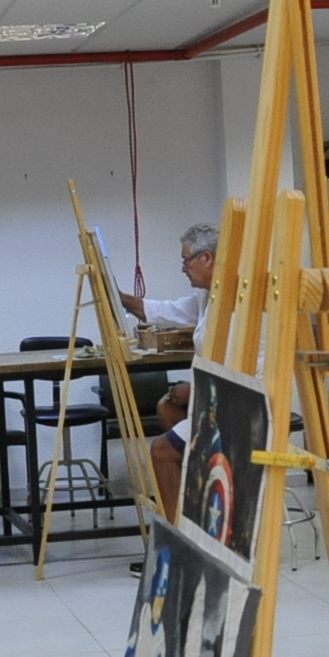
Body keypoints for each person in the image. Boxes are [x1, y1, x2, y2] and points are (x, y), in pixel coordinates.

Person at [118, 223, 219, 522]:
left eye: (186, 260)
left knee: (162, 450)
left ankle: (178, 540)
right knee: (167, 408)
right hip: (215, 398)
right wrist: (118, 296)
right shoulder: (206, 296)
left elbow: (237, 367)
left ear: (207, 258)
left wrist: (194, 390)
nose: (183, 268)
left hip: (235, 404)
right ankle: (196, 511)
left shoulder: (232, 302)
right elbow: (166, 310)